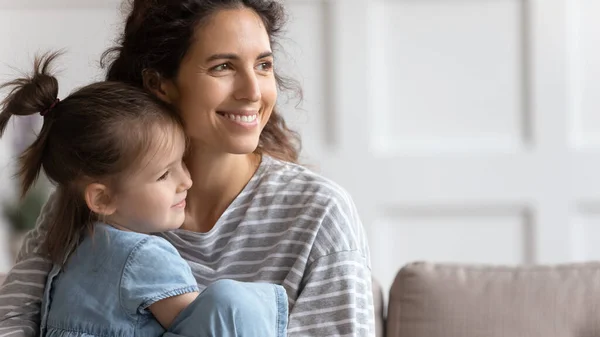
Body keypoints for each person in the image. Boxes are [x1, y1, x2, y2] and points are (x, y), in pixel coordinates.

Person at [0, 0, 375, 336]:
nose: (253, 91)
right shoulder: (101, 200)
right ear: (159, 84)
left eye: (263, 65)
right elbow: (12, 320)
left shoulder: (320, 215)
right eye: (223, 66)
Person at [0, 52, 288, 337]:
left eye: (182, 163)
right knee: (234, 305)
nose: (186, 181)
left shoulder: (72, 242)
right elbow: (212, 325)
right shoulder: (147, 258)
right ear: (102, 199)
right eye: (164, 174)